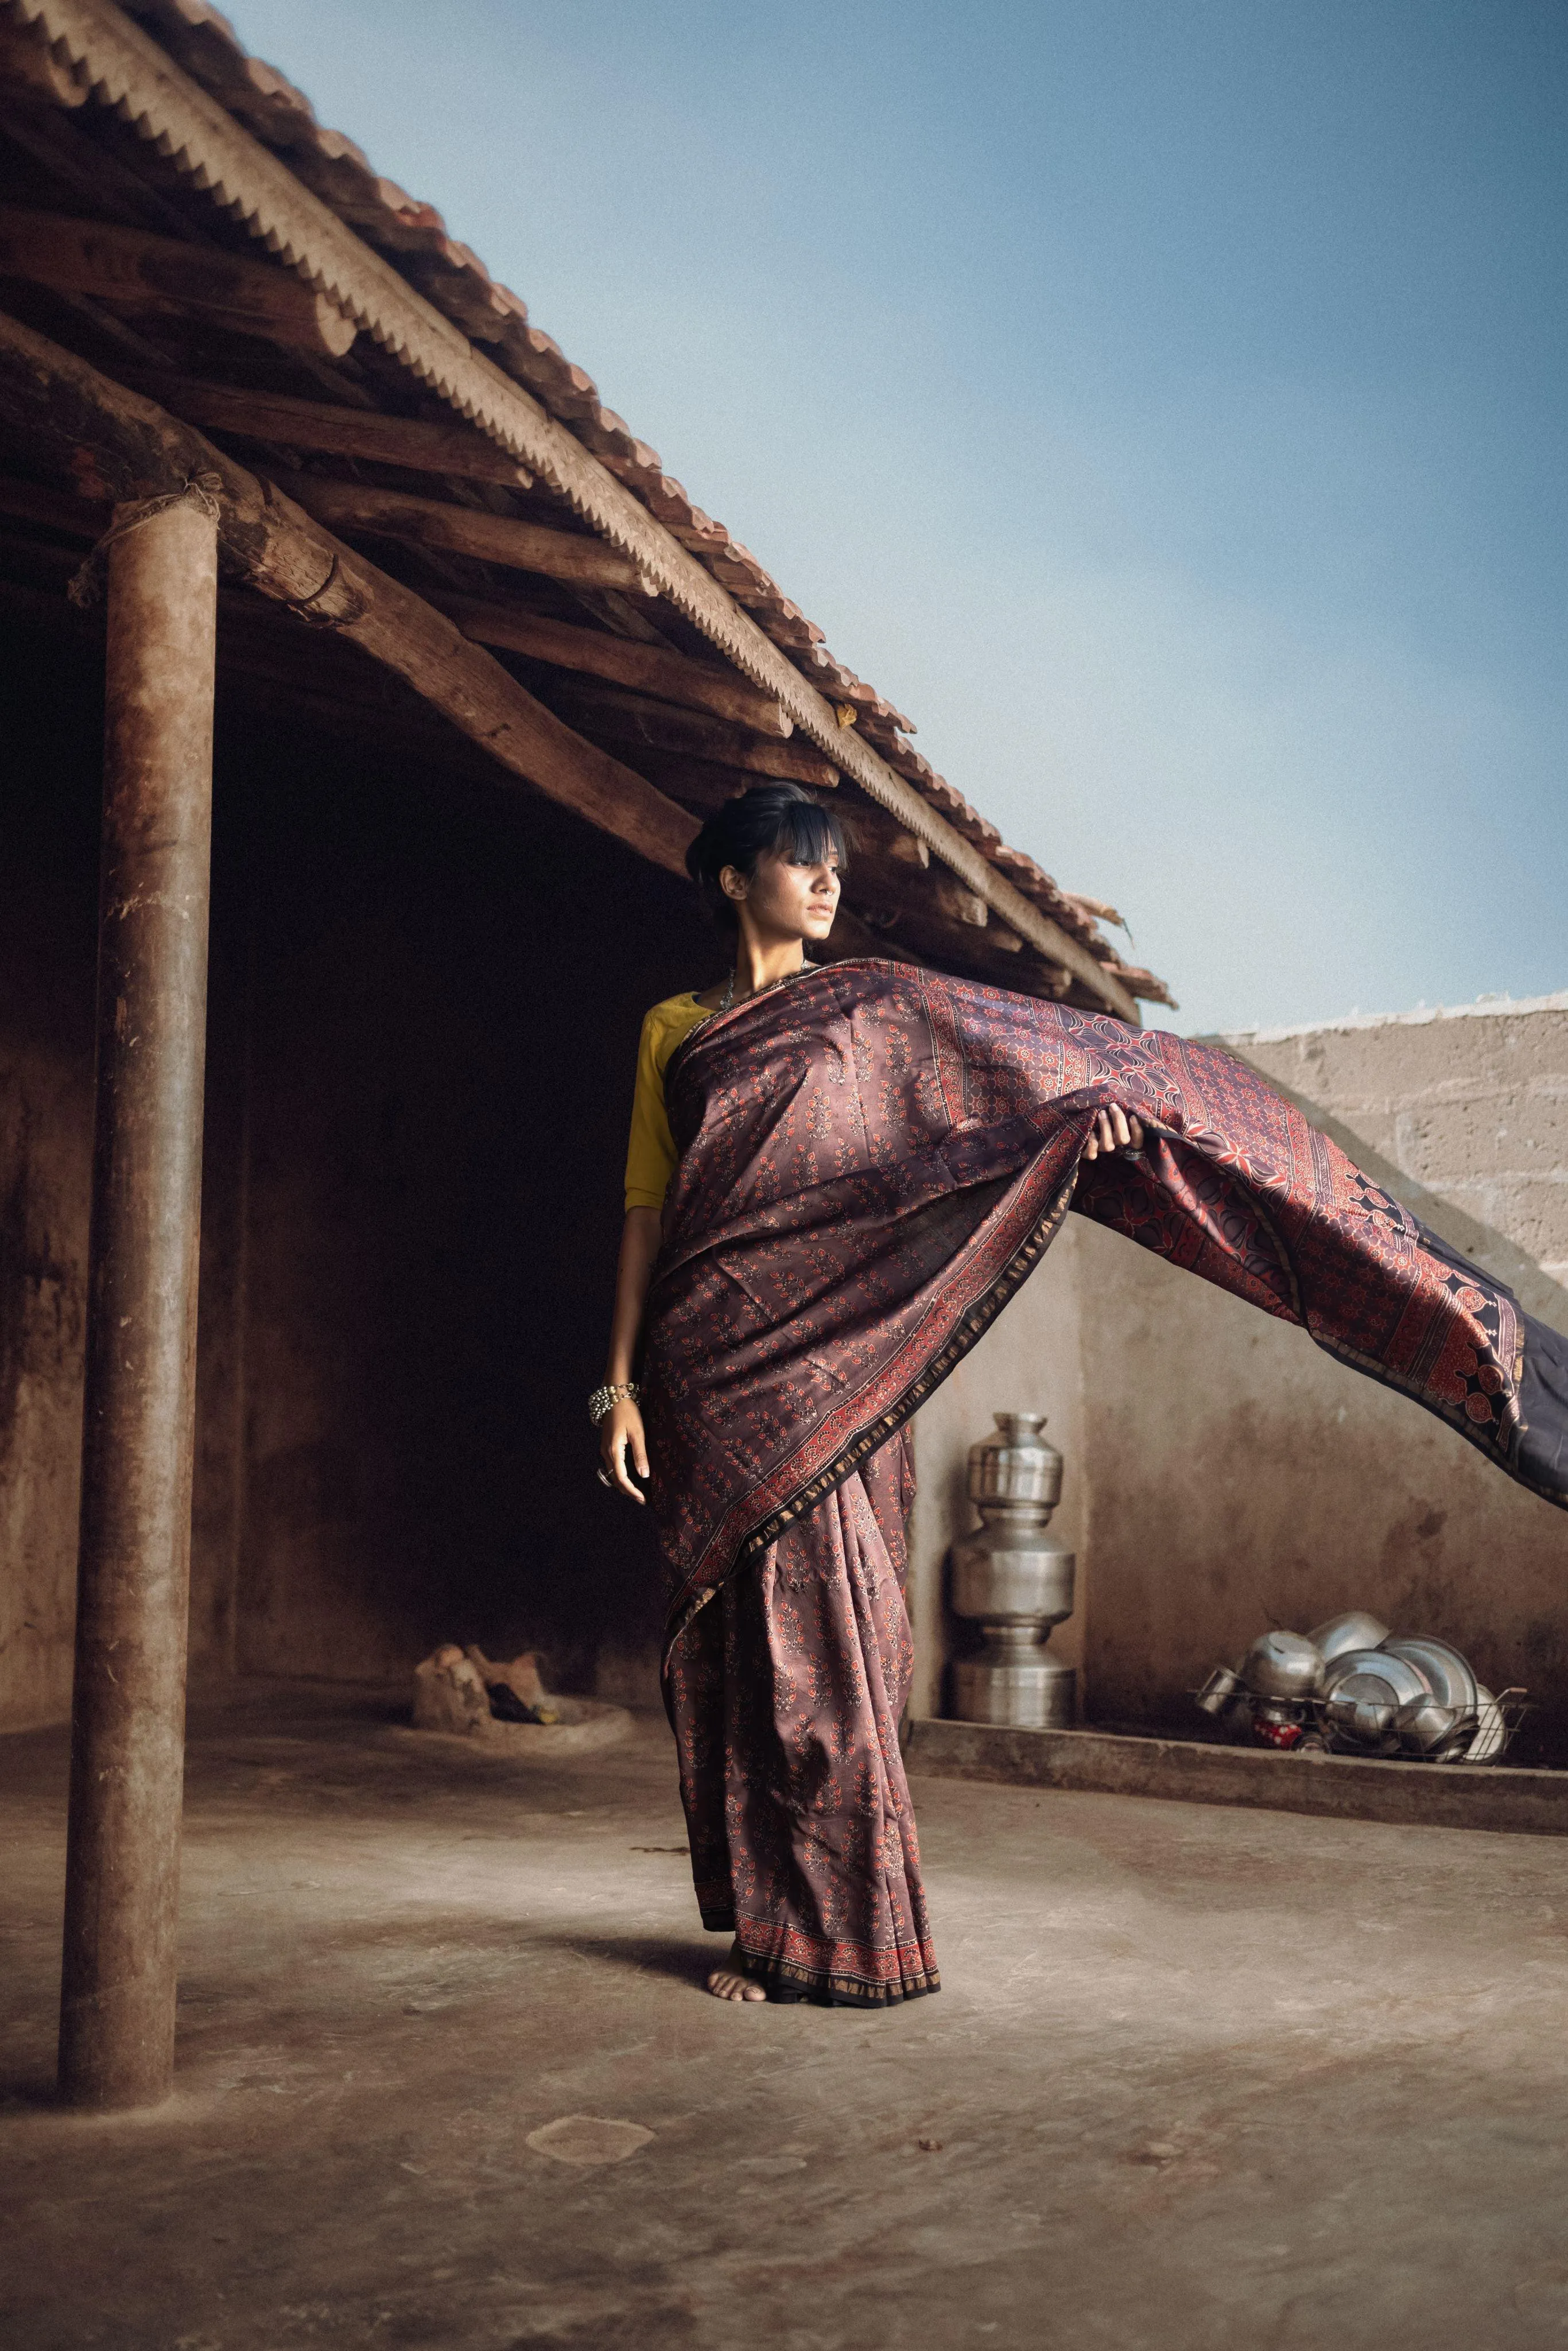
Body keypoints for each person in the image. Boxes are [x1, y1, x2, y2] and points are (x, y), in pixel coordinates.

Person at [596, 783, 1568, 2008]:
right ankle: (763, 1929)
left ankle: (840, 1932)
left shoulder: (879, 1007)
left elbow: (967, 1115)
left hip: (835, 1370)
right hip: (706, 1363)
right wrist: (618, 1381)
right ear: (734, 879)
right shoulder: (674, 1030)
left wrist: (1071, 1121)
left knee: (833, 1653)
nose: (829, 882)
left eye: (834, 864)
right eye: (800, 863)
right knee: (746, 1659)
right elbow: (649, 1206)